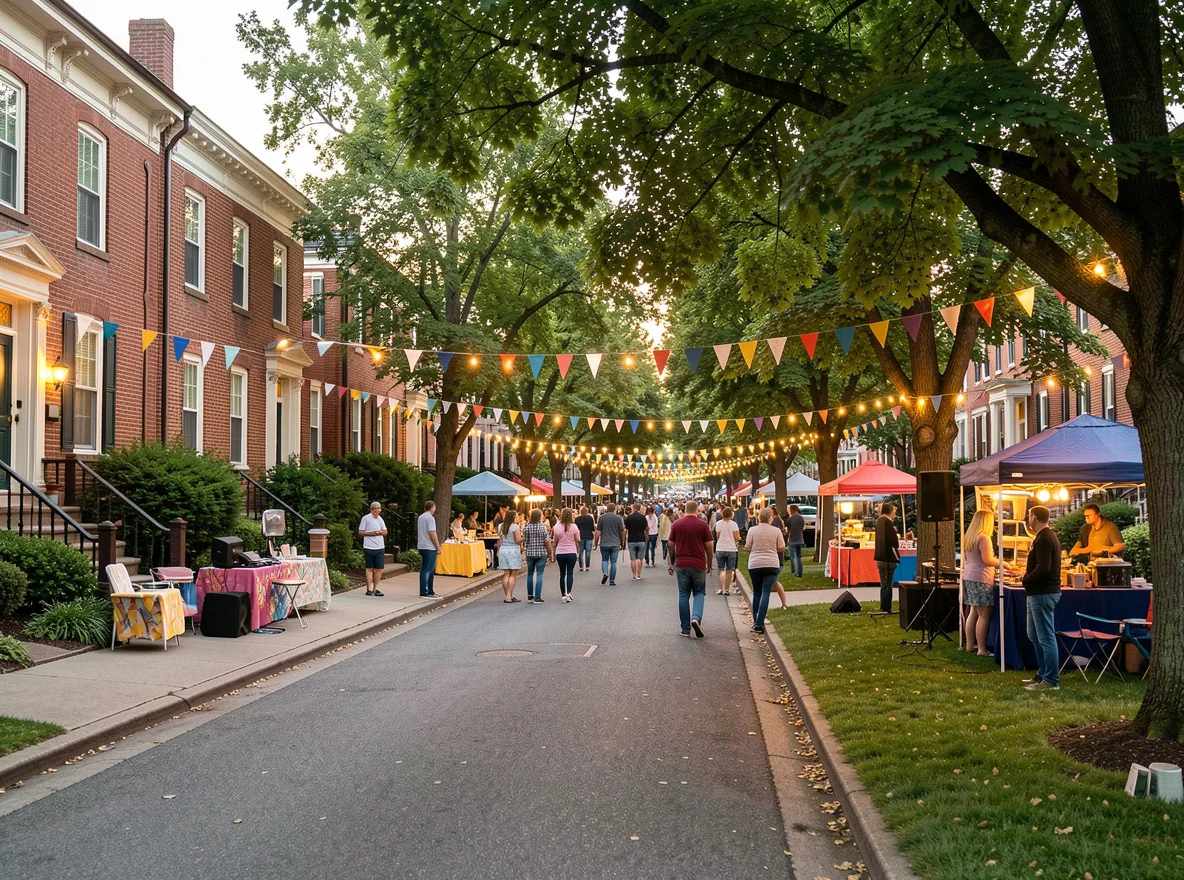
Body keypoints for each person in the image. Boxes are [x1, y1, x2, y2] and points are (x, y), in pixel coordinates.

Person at [960, 509, 1013, 655]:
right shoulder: (984, 537)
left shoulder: (970, 536)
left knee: (973, 611)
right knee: (984, 614)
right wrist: (1004, 564)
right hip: (981, 578)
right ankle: (982, 649)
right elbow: (987, 559)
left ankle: (970, 645)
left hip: (969, 576)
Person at [1022, 505, 1062, 691]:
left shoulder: (1045, 538)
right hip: (1036, 592)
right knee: (1034, 635)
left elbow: (1044, 567)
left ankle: (1051, 680)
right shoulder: (1042, 537)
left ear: (1034, 518)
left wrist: (1026, 579)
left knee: (1045, 636)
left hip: (1043, 592)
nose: (1028, 519)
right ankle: (1043, 673)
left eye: (1030, 516)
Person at [668, 500, 714, 637]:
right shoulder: (703, 525)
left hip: (681, 563)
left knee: (683, 595)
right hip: (698, 563)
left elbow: (670, 544)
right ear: (697, 510)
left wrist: (672, 561)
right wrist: (709, 562)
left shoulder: (677, 524)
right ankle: (696, 618)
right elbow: (710, 545)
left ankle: (685, 628)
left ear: (684, 510)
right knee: (699, 592)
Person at [746, 507, 786, 633]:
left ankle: (756, 620)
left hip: (755, 563)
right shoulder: (776, 531)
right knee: (765, 593)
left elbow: (747, 547)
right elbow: (781, 547)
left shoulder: (752, 530)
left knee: (757, 593)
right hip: (771, 563)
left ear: (759, 518)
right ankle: (759, 623)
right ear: (771, 518)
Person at [358, 501, 388, 597]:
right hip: (369, 546)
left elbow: (385, 531)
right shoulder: (366, 518)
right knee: (369, 568)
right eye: (376, 509)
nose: (378, 511)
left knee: (378, 568)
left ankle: (375, 588)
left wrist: (380, 532)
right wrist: (371, 533)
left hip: (379, 546)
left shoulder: (380, 519)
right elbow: (361, 532)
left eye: (379, 509)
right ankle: (369, 588)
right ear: (372, 510)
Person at [873, 501, 900, 613]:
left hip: (880, 557)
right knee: (888, 583)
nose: (894, 513)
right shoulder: (888, 522)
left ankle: (884, 605)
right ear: (889, 511)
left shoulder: (879, 521)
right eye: (893, 511)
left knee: (884, 583)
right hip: (888, 557)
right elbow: (894, 542)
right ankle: (886, 607)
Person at [523, 509, 553, 604]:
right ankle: (537, 596)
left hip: (530, 553)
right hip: (541, 553)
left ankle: (530, 596)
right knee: (539, 574)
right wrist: (549, 552)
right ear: (540, 516)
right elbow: (547, 541)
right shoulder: (543, 527)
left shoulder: (527, 527)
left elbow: (524, 539)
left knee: (530, 574)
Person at [552, 508, 580, 602]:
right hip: (571, 551)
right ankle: (569, 592)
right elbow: (577, 539)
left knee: (562, 574)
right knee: (570, 573)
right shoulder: (574, 526)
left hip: (560, 552)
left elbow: (555, 540)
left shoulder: (557, 527)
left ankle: (563, 594)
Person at [595, 502, 625, 585]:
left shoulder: (601, 518)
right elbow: (622, 531)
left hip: (604, 543)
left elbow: (598, 532)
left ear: (607, 509)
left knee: (604, 560)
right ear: (615, 509)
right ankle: (612, 580)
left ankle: (605, 573)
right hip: (615, 543)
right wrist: (622, 542)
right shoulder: (619, 518)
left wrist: (596, 542)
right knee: (614, 562)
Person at [713, 506, 741, 595]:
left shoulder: (718, 524)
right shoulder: (734, 524)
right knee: (729, 570)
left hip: (720, 547)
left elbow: (717, 536)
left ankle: (722, 588)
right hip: (731, 548)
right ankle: (727, 589)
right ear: (731, 515)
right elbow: (737, 537)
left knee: (721, 569)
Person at [497, 509, 523, 602]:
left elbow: (500, 539)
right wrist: (524, 538)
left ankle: (506, 595)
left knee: (506, 573)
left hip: (503, 549)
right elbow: (517, 540)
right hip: (512, 550)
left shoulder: (500, 526)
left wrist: (498, 551)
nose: (518, 517)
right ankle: (509, 595)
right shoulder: (515, 527)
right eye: (516, 516)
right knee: (513, 574)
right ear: (513, 517)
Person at [416, 501, 441, 598]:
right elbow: (432, 533)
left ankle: (429, 590)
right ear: (433, 507)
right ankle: (425, 591)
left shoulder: (421, 517)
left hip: (422, 545)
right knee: (428, 569)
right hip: (429, 546)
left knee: (425, 569)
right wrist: (437, 546)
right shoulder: (430, 518)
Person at [624, 502, 649, 581]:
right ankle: (639, 575)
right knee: (640, 558)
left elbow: (626, 529)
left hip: (631, 539)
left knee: (633, 559)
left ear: (634, 508)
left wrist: (624, 539)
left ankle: (634, 575)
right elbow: (646, 528)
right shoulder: (643, 517)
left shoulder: (629, 517)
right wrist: (646, 536)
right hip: (641, 539)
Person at [786, 504, 807, 578]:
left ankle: (794, 571)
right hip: (800, 539)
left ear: (791, 510)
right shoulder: (801, 517)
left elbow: (787, 530)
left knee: (792, 557)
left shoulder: (790, 519)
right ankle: (800, 572)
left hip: (792, 539)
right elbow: (803, 528)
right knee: (798, 556)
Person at [575, 505, 596, 572]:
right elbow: (593, 528)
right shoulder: (590, 518)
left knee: (581, 551)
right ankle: (587, 566)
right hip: (589, 536)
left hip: (580, 536)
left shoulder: (577, 519)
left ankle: (581, 566)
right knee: (588, 551)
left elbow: (576, 528)